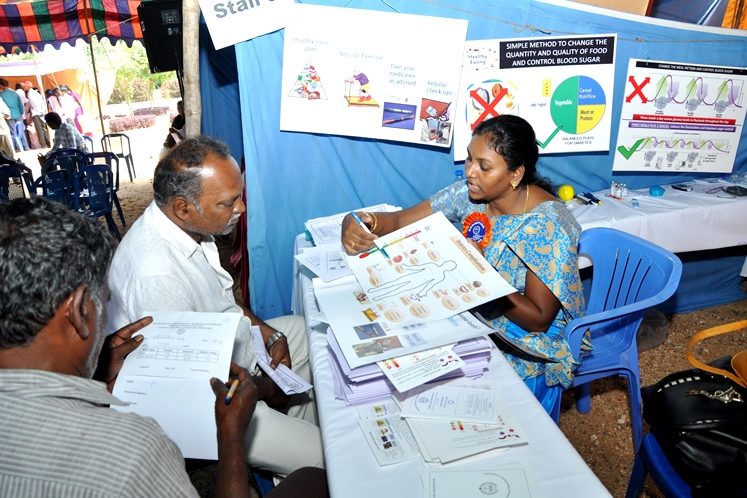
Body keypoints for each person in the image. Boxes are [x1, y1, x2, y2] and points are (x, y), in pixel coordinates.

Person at [0, 196, 329, 498]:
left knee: (302, 336)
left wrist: (97, 372)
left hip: (221, 370)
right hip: (217, 405)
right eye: (105, 298)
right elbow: (200, 397)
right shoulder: (134, 451)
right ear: (78, 313)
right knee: (317, 475)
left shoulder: (190, 232)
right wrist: (231, 436)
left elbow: (225, 303)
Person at [341, 115, 586, 420]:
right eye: (470, 159)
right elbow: (401, 220)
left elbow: (537, 319)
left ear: (515, 174)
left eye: (484, 167)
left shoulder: (549, 226)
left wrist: (481, 275)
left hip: (523, 346)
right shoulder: (470, 195)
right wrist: (357, 222)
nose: (470, 172)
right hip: (474, 315)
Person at [107, 135, 324, 475]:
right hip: (210, 398)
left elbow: (224, 302)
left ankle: (292, 444)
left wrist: (267, 332)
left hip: (225, 356)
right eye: (229, 202)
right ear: (183, 206)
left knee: (302, 332)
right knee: (325, 459)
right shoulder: (155, 275)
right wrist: (269, 389)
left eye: (239, 196)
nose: (241, 209)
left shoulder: (192, 225)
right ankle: (301, 458)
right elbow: (194, 386)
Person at [0, 78, 28, 152]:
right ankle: (26, 147)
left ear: (1, 86)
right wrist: (20, 113)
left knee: (13, 133)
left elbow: (3, 108)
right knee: (21, 132)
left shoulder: (1, 95)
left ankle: (18, 148)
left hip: (9, 116)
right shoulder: (15, 93)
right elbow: (21, 105)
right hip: (18, 114)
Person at [22, 81, 50, 148]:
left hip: (37, 113)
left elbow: (35, 105)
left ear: (28, 86)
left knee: (39, 130)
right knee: (44, 129)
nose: (23, 87)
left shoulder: (30, 94)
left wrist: (39, 113)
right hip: (41, 112)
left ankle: (43, 145)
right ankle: (48, 143)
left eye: (24, 86)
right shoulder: (35, 93)